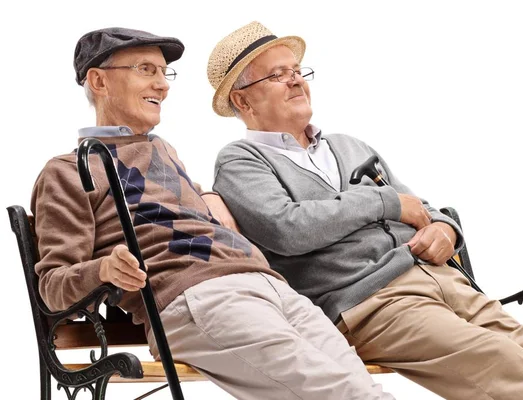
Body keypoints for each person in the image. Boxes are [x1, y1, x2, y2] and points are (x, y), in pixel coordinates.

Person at [209, 21, 523, 400]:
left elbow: (418, 207)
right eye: (277, 75)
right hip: (370, 302)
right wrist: (383, 203)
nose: (295, 80)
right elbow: (287, 229)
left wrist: (446, 231)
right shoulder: (242, 161)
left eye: (297, 71)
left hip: (442, 281)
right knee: (503, 363)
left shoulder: (348, 145)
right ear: (242, 100)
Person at [31, 27, 394, 400]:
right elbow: (52, 288)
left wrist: (209, 195)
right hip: (197, 299)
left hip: (272, 288)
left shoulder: (165, 150)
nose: (163, 85)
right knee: (344, 394)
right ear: (98, 80)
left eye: (163, 72)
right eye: (145, 69)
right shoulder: (68, 171)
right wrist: (103, 270)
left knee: (363, 388)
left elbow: (169, 208)